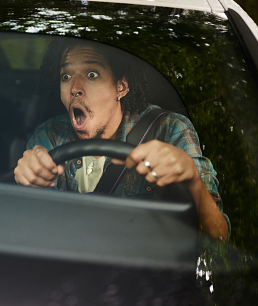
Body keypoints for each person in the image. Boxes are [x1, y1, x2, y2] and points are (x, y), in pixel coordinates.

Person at [14, 39, 229, 242]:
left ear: (121, 87)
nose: (75, 88)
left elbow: (218, 237)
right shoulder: (51, 134)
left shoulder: (169, 129)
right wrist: (30, 182)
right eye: (65, 76)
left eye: (91, 74)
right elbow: (32, 234)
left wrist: (192, 179)